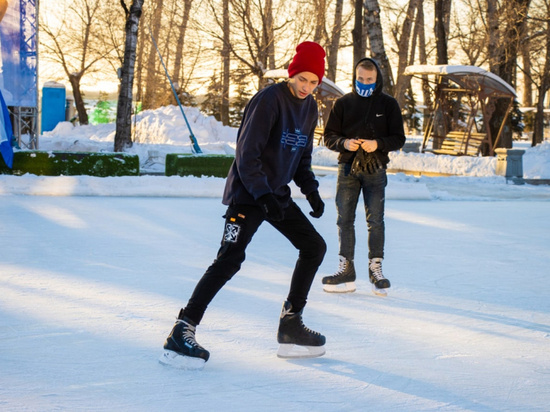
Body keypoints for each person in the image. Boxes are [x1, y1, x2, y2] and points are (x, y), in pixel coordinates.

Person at [161, 41, 328, 369]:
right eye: (302, 79)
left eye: (313, 82)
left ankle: (291, 323)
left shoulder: (310, 109)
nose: (307, 87)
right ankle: (182, 330)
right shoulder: (269, 100)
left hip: (275, 195)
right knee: (230, 259)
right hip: (249, 194)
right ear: (292, 74)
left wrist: (310, 191)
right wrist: (262, 195)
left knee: (314, 247)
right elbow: (246, 153)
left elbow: (301, 157)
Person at [322, 57, 405, 296]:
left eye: (369, 79)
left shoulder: (388, 105)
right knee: (344, 219)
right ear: (355, 76)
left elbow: (398, 138)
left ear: (377, 78)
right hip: (347, 169)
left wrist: (377, 143)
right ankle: (346, 268)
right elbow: (329, 137)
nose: (365, 83)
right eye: (361, 79)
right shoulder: (343, 103)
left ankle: (375, 269)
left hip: (376, 168)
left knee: (375, 220)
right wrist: (344, 143)